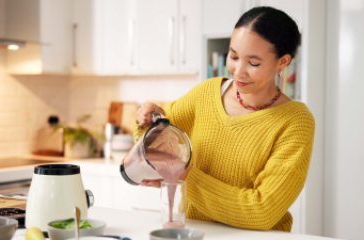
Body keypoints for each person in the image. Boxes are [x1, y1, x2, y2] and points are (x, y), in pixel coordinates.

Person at [135, 6, 315, 232]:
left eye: (253, 63)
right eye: (233, 56)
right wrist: (147, 114)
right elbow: (154, 131)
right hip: (193, 233)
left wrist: (183, 174)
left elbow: (262, 211)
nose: (238, 71)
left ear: (283, 62)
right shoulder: (208, 93)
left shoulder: (295, 122)